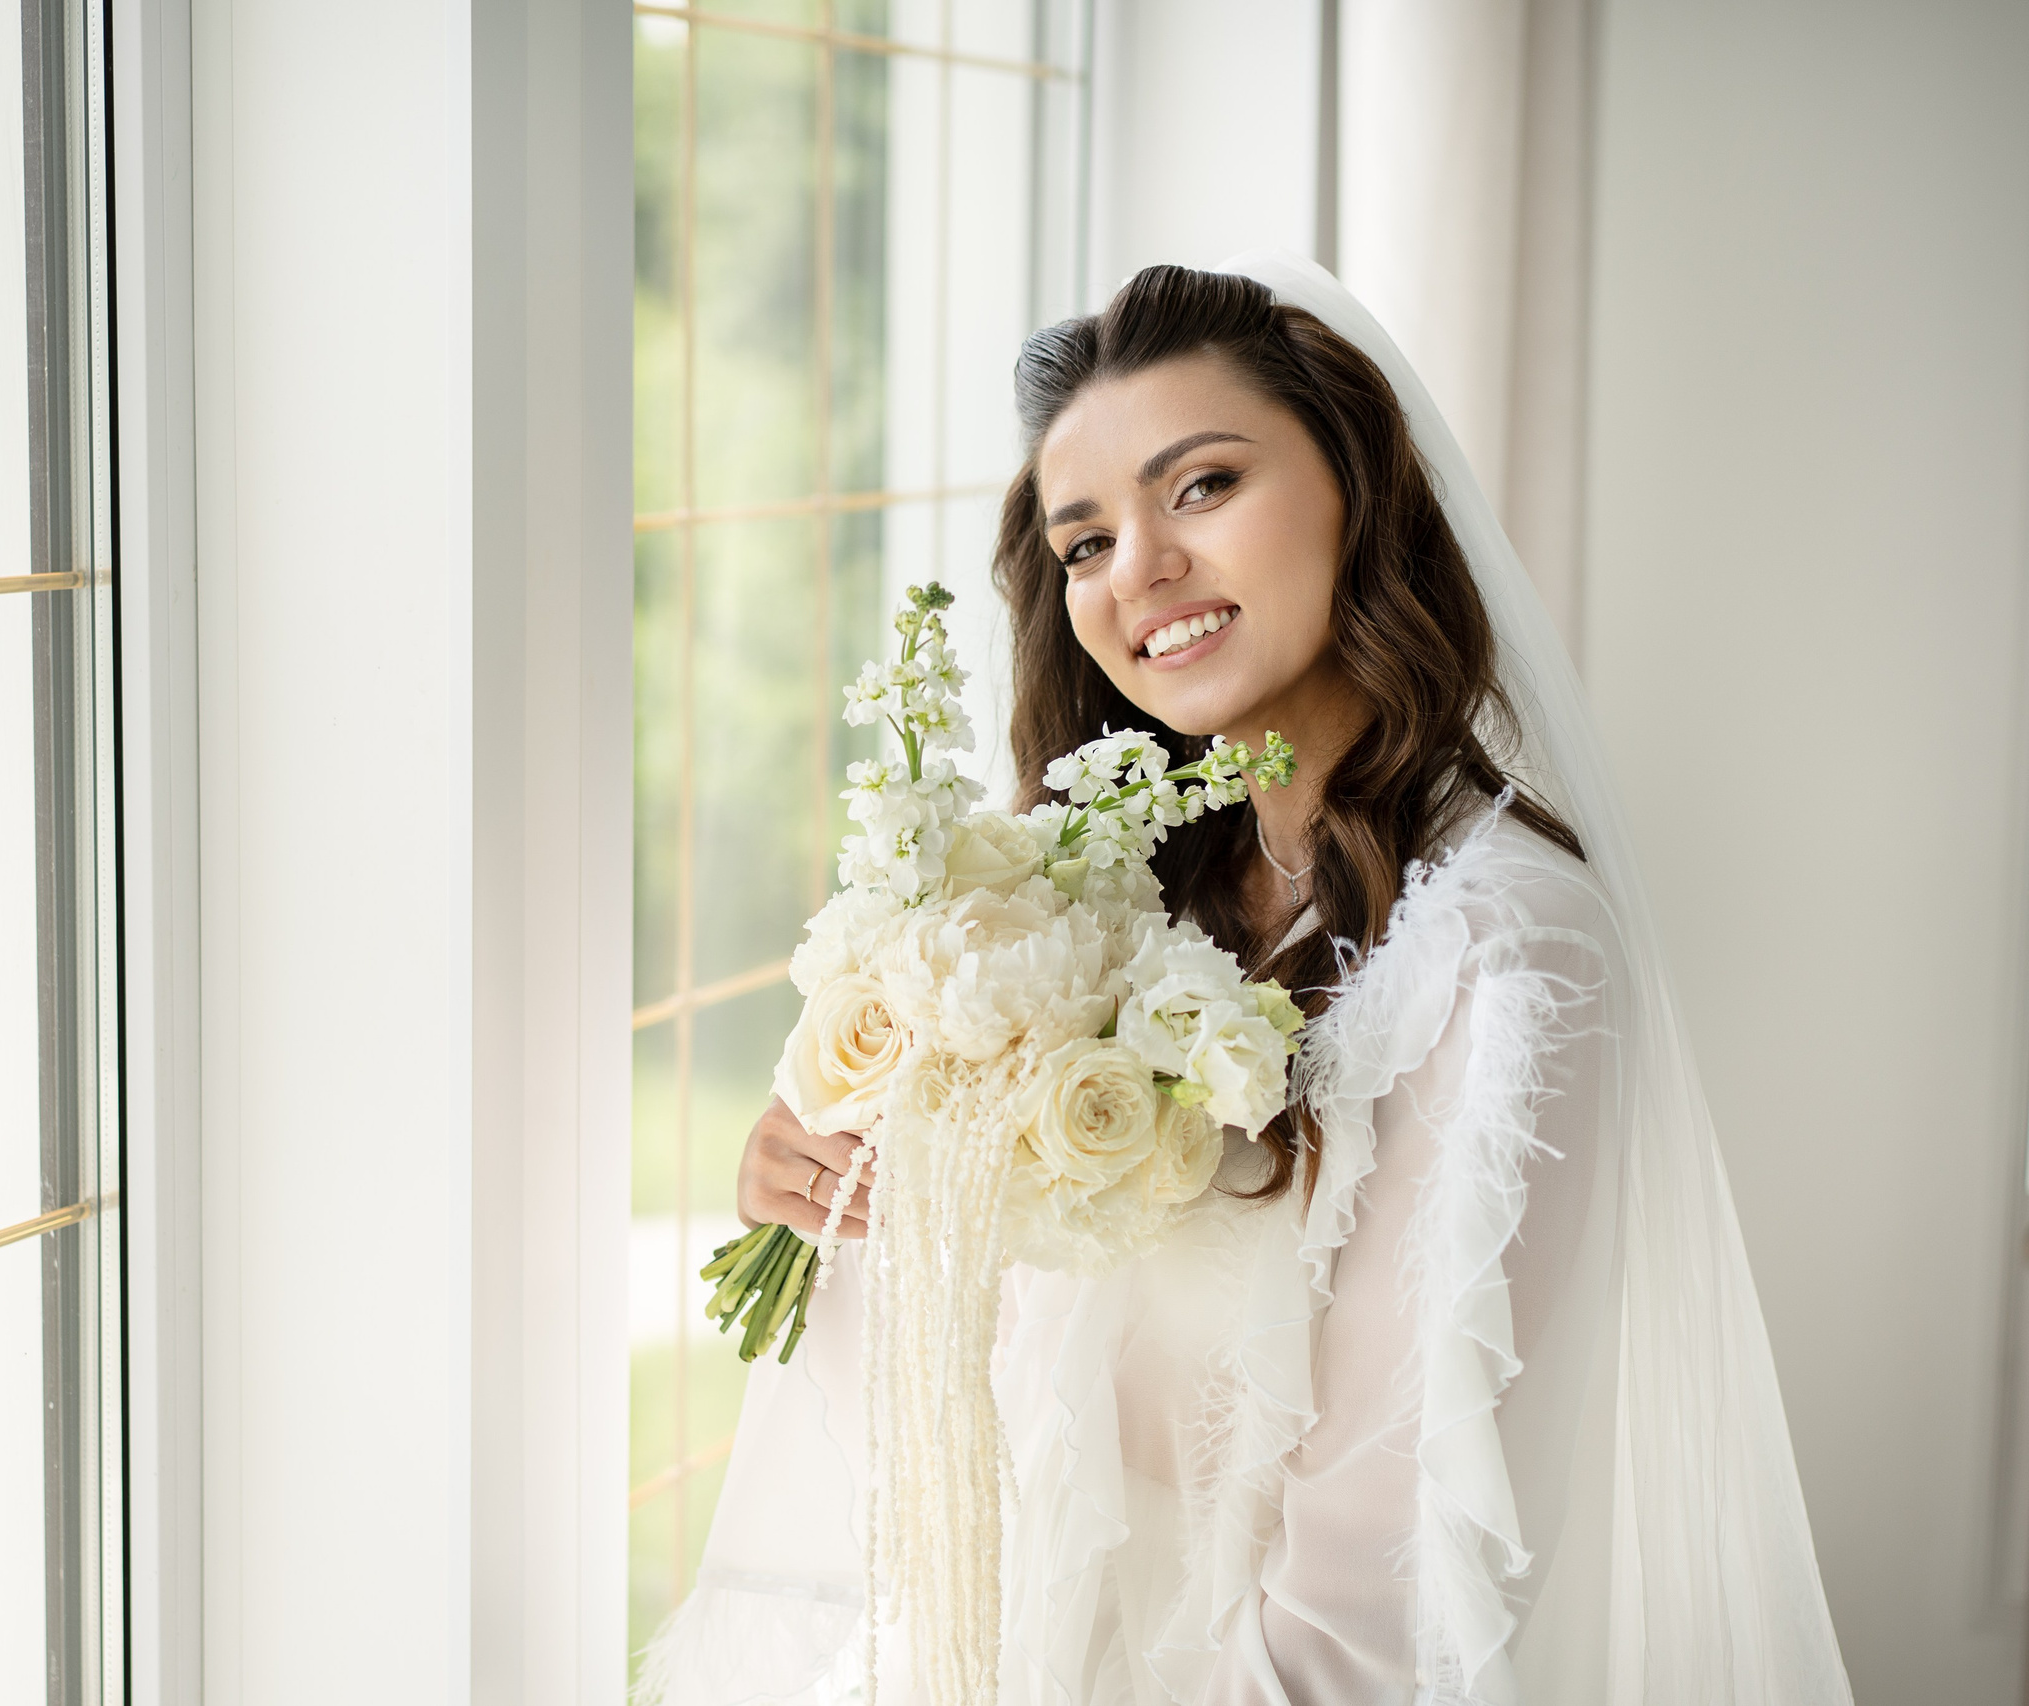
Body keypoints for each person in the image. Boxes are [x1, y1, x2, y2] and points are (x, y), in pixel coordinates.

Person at [640, 258, 1852, 1706]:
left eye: (1201, 486)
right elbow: (977, 1434)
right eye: (1082, 542)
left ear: (1358, 486)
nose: (1135, 569)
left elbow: (1372, 1623)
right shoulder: (1107, 898)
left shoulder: (1506, 959)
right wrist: (844, 1197)